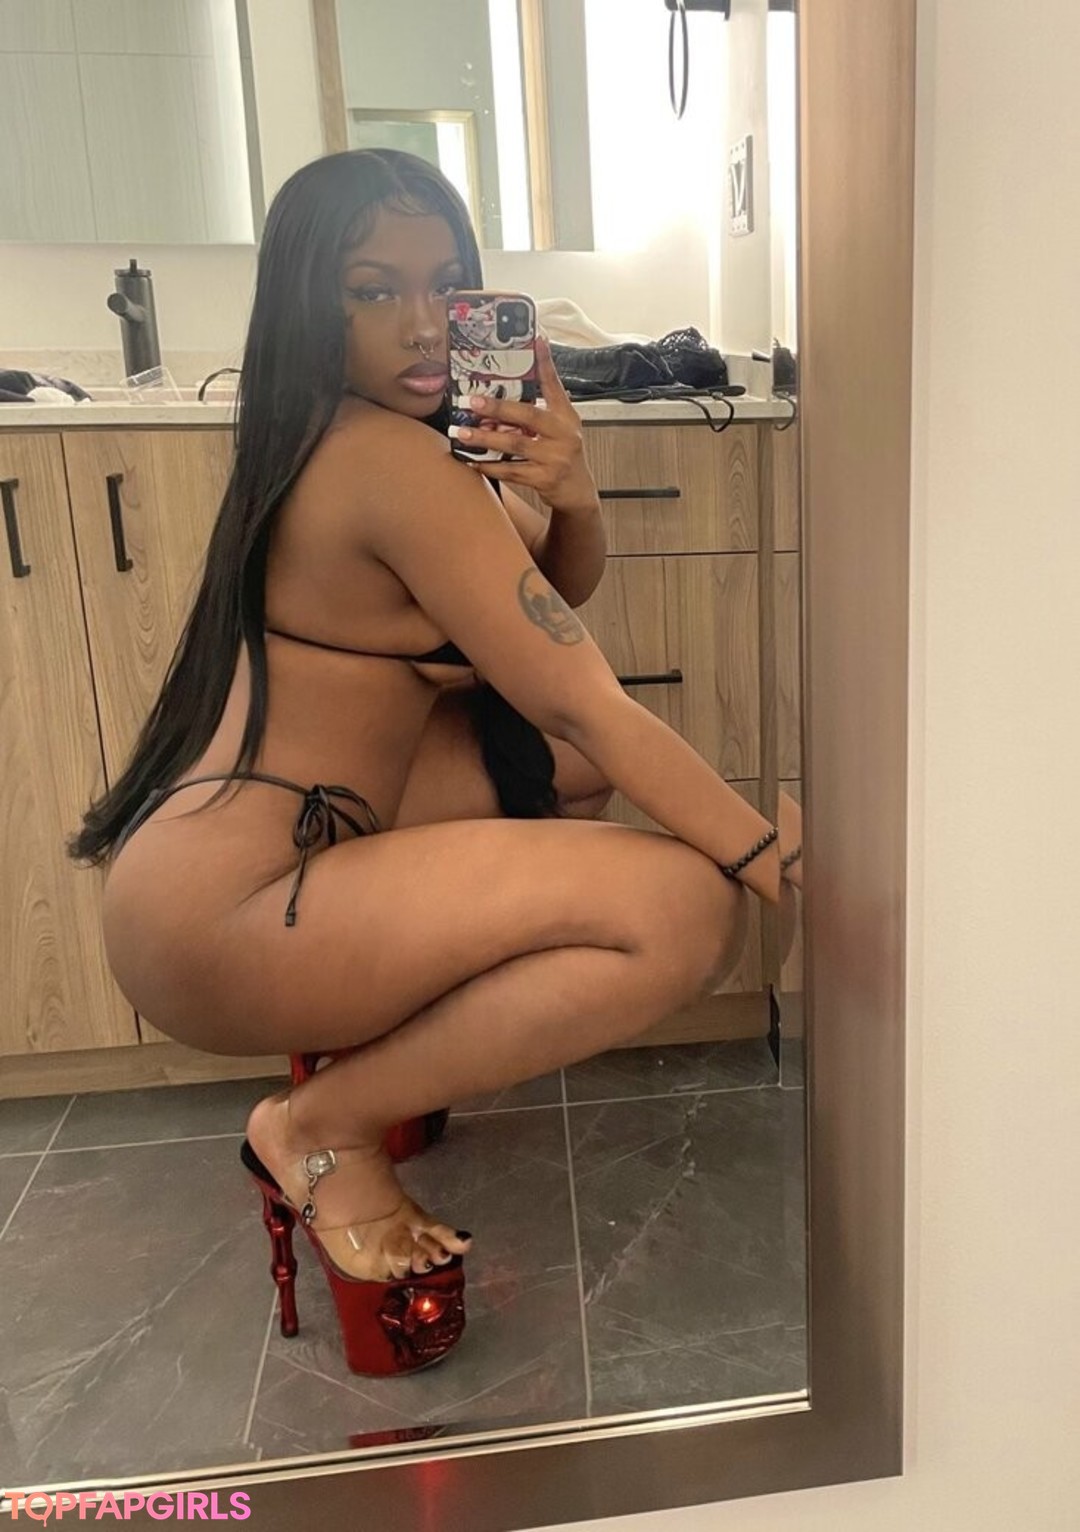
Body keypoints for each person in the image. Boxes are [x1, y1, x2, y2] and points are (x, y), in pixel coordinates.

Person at [68, 149, 795, 1376]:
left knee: (556, 774)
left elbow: (542, 609)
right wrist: (783, 861)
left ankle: (392, 1046)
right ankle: (320, 1124)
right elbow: (584, 694)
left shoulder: (379, 435)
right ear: (311, 304)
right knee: (685, 907)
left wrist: (572, 491)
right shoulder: (384, 460)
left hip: (260, 844)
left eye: (447, 284)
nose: (419, 322)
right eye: (373, 290)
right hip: (224, 909)